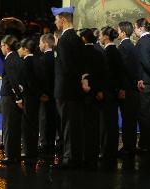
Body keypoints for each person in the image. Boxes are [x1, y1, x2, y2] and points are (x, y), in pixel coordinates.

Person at [51, 6, 85, 169]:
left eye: (56, 19)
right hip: (74, 90)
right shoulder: (77, 39)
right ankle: (75, 156)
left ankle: (69, 158)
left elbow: (66, 68)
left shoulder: (64, 41)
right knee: (74, 124)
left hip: (65, 91)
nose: (55, 22)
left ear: (63, 20)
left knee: (67, 125)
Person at [79, 28, 106, 167]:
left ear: (83, 38)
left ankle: (83, 154)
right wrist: (99, 90)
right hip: (96, 94)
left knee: (82, 125)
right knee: (94, 125)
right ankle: (93, 154)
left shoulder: (79, 54)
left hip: (81, 95)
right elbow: (102, 74)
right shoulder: (99, 53)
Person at [99, 26, 125, 161]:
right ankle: (111, 149)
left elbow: (107, 75)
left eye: (101, 34)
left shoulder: (108, 52)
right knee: (112, 122)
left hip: (108, 92)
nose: (99, 37)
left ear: (106, 36)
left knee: (107, 123)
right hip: (113, 92)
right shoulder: (114, 50)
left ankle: (107, 150)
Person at [0, 35, 23, 165]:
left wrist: (18, 98)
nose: (0, 48)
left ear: (6, 46)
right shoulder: (17, 58)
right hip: (14, 97)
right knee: (15, 126)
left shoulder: (9, 60)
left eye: (1, 46)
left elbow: (14, 81)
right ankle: (15, 154)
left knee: (8, 127)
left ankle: (10, 155)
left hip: (9, 97)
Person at [17, 38, 42, 163]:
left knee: (27, 125)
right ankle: (33, 149)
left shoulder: (25, 63)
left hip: (28, 97)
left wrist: (21, 97)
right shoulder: (38, 60)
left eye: (20, 48)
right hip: (36, 97)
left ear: (26, 49)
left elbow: (27, 82)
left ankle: (27, 150)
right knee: (34, 124)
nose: (18, 50)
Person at [117, 21, 140, 155]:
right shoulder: (131, 46)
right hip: (132, 89)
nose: (117, 33)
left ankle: (128, 147)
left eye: (118, 31)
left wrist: (123, 89)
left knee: (127, 119)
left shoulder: (124, 47)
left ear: (123, 33)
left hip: (128, 90)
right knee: (130, 119)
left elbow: (125, 71)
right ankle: (129, 146)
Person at [134, 18, 150, 153]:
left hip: (146, 84)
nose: (134, 30)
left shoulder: (143, 42)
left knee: (146, 115)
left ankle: (146, 144)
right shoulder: (149, 40)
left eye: (135, 27)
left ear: (141, 28)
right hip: (147, 82)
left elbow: (146, 63)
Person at [38, 33, 58, 156]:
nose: (39, 45)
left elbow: (44, 79)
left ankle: (45, 145)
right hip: (55, 94)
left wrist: (43, 93)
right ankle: (50, 143)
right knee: (52, 119)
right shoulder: (56, 58)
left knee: (45, 119)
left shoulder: (44, 59)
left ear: (45, 43)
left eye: (40, 42)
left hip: (46, 95)